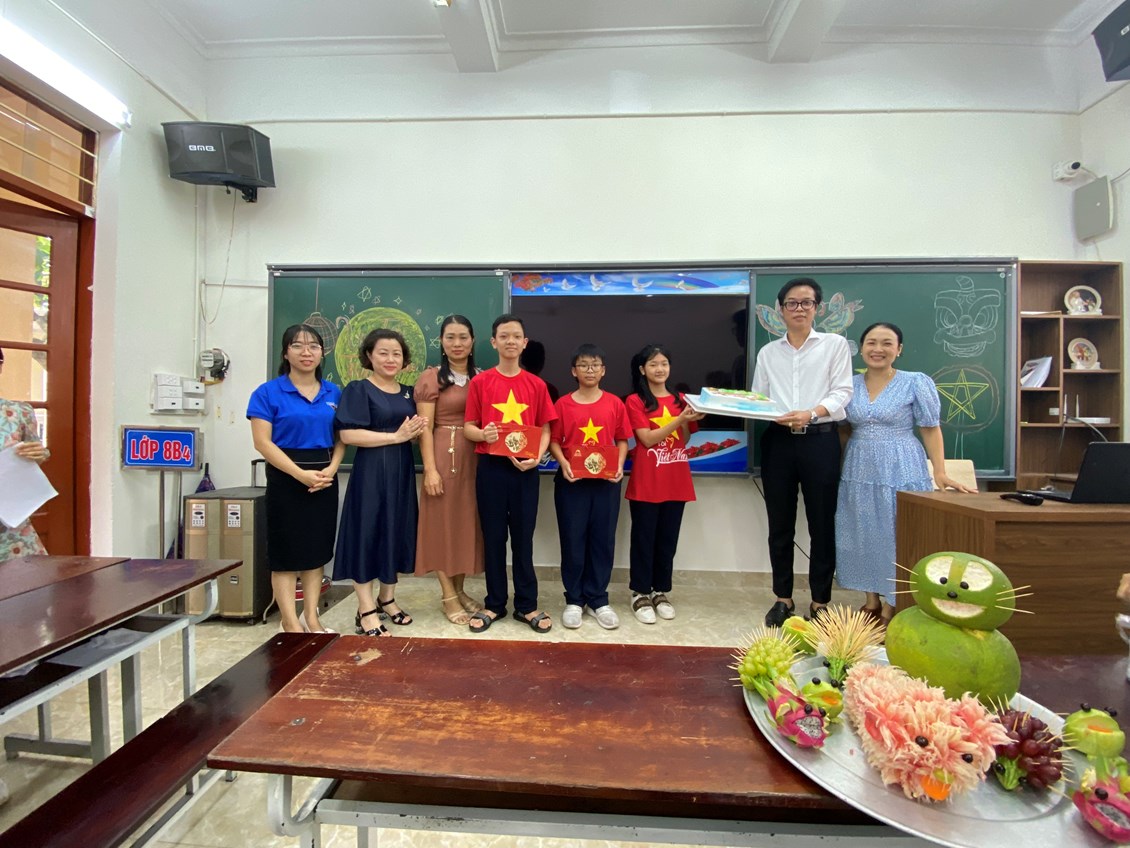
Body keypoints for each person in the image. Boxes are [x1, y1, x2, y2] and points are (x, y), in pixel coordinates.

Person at [835, 322, 974, 623]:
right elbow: (844, 429)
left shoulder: (915, 382)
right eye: (872, 342)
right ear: (862, 348)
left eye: (887, 343)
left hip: (901, 465)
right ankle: (871, 600)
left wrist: (940, 471)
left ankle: (893, 603)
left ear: (899, 349)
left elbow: (930, 428)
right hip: (859, 466)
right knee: (863, 532)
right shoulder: (848, 385)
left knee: (897, 534)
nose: (878, 349)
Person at [752, 277, 854, 627]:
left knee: (822, 523)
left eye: (806, 302)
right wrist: (752, 408)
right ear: (781, 310)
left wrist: (811, 413)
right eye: (791, 303)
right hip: (778, 442)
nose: (799, 308)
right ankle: (783, 598)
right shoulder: (768, 353)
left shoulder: (834, 345)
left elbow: (843, 391)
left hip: (820, 440)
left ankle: (820, 601)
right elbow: (759, 398)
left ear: (817, 308)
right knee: (779, 524)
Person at [463, 314, 557, 634]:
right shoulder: (480, 382)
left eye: (516, 336)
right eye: (504, 336)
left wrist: (537, 457)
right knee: (493, 538)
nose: (511, 341)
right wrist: (483, 435)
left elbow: (546, 428)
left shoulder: (536, 385)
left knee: (523, 539)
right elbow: (468, 427)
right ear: (494, 342)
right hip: (491, 469)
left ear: (524, 342)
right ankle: (494, 603)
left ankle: (527, 605)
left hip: (525, 470)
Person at [248, 325, 345, 633]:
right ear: (285, 352)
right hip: (286, 479)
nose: (306, 352)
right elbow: (263, 443)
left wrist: (332, 469)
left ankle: (311, 618)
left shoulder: (334, 392)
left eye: (313, 346)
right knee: (286, 554)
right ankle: (290, 623)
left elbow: (342, 438)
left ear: (322, 352)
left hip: (324, 479)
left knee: (316, 552)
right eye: (298, 346)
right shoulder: (267, 393)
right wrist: (299, 474)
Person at [334, 328, 427, 638]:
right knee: (367, 534)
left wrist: (417, 431)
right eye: (383, 353)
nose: (390, 359)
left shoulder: (409, 392)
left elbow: (413, 431)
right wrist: (396, 437)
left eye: (396, 354)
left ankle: (387, 599)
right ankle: (365, 610)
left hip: (401, 472)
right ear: (369, 356)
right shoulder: (358, 389)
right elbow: (348, 434)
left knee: (396, 531)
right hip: (371, 474)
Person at [548, 343, 631, 630]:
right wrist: (564, 463)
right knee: (572, 540)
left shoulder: (615, 403)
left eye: (595, 365)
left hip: (606, 483)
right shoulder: (562, 404)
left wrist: (619, 465)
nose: (590, 370)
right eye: (583, 365)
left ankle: (598, 599)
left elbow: (622, 439)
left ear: (603, 370)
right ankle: (574, 599)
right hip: (572, 483)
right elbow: (553, 440)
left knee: (602, 541)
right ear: (574, 371)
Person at [625, 344, 704, 624]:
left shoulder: (682, 399)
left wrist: (686, 419)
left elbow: (685, 439)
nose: (660, 369)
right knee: (644, 539)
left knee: (667, 540)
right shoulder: (635, 401)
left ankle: (660, 591)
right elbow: (646, 439)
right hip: (647, 481)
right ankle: (640, 592)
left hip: (676, 479)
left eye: (664, 363)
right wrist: (679, 419)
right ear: (642, 369)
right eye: (653, 364)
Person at [414, 315, 485, 625]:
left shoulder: (482, 377)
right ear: (441, 342)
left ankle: (460, 589)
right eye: (450, 337)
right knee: (441, 525)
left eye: (463, 337)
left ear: (472, 341)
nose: (457, 343)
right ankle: (447, 596)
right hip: (444, 455)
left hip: (476, 458)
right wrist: (430, 470)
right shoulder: (431, 378)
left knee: (466, 525)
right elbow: (424, 428)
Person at [0, 346, 50, 562]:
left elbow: (37, 451)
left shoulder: (18, 412)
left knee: (23, 580)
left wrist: (39, 454)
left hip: (11, 525)